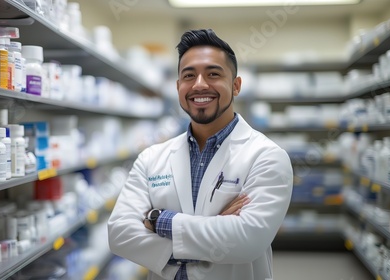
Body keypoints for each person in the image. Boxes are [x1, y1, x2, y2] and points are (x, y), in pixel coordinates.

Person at [107, 28, 293, 280]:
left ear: (236, 85)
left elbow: (247, 241)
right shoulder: (151, 158)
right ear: (178, 86)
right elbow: (120, 234)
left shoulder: (267, 156)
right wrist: (215, 228)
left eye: (213, 74)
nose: (199, 85)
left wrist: (158, 220)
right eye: (189, 75)